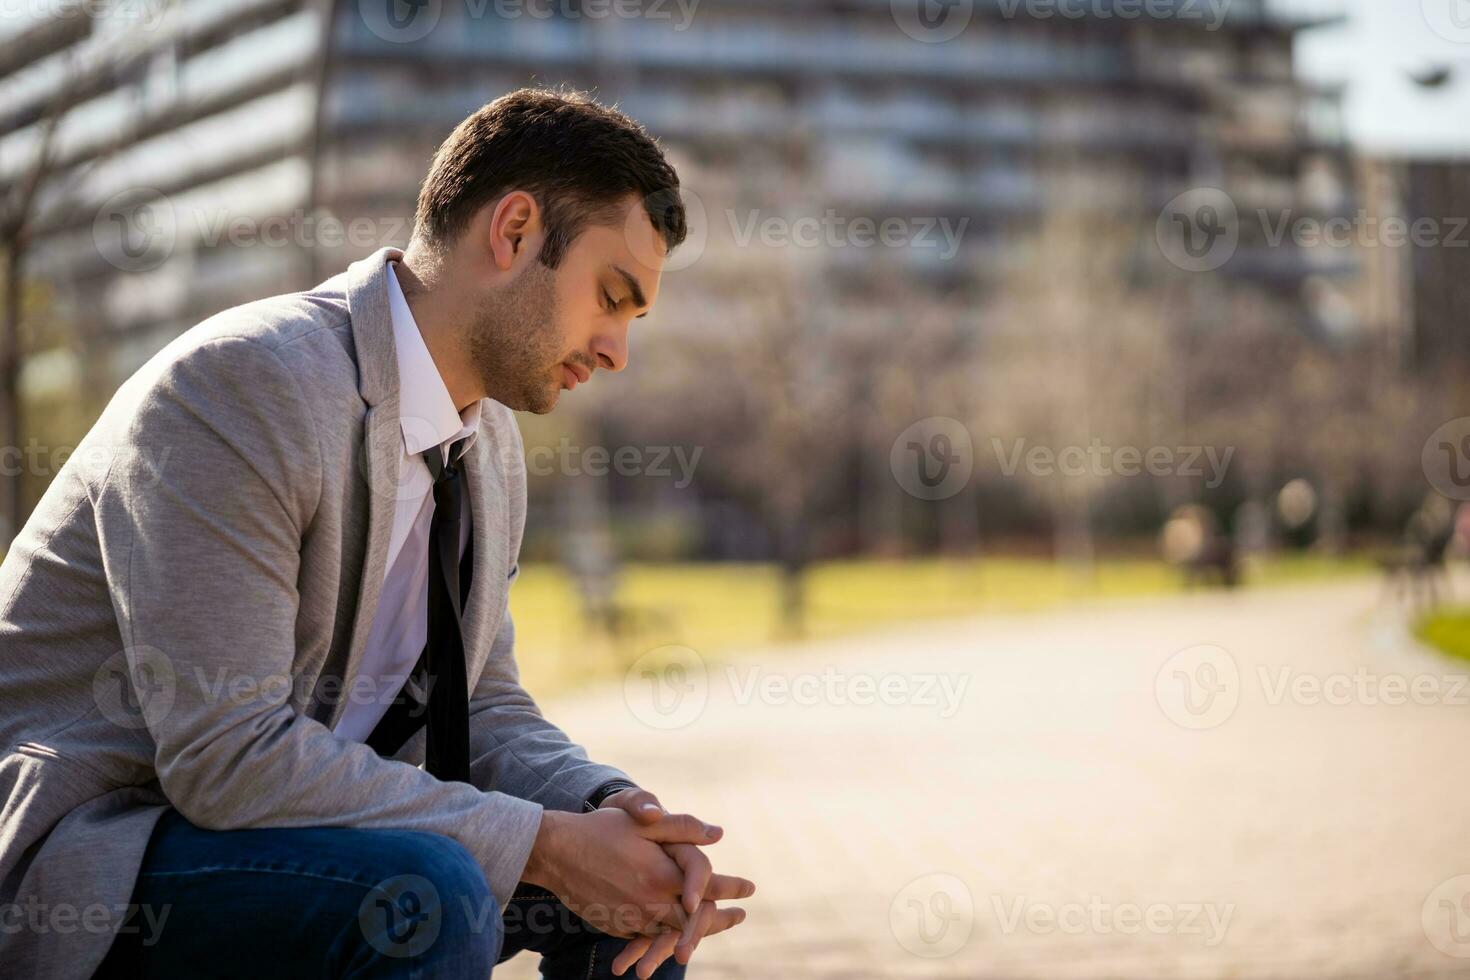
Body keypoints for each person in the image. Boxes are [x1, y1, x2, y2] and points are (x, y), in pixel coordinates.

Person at [0, 87, 752, 980]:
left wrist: (614, 812)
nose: (618, 349)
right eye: (611, 296)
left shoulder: (488, 441)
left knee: (636, 901)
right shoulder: (244, 388)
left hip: (292, 834)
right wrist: (545, 844)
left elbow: (481, 705)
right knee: (429, 891)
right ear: (513, 233)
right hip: (101, 848)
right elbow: (225, 758)